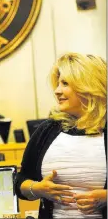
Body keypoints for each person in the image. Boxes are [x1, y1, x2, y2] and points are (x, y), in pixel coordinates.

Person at [14, 53, 107, 219]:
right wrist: (38, 189)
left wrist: (106, 198)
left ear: (88, 86)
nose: (57, 91)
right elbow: (20, 181)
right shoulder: (47, 130)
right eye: (57, 84)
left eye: (65, 83)